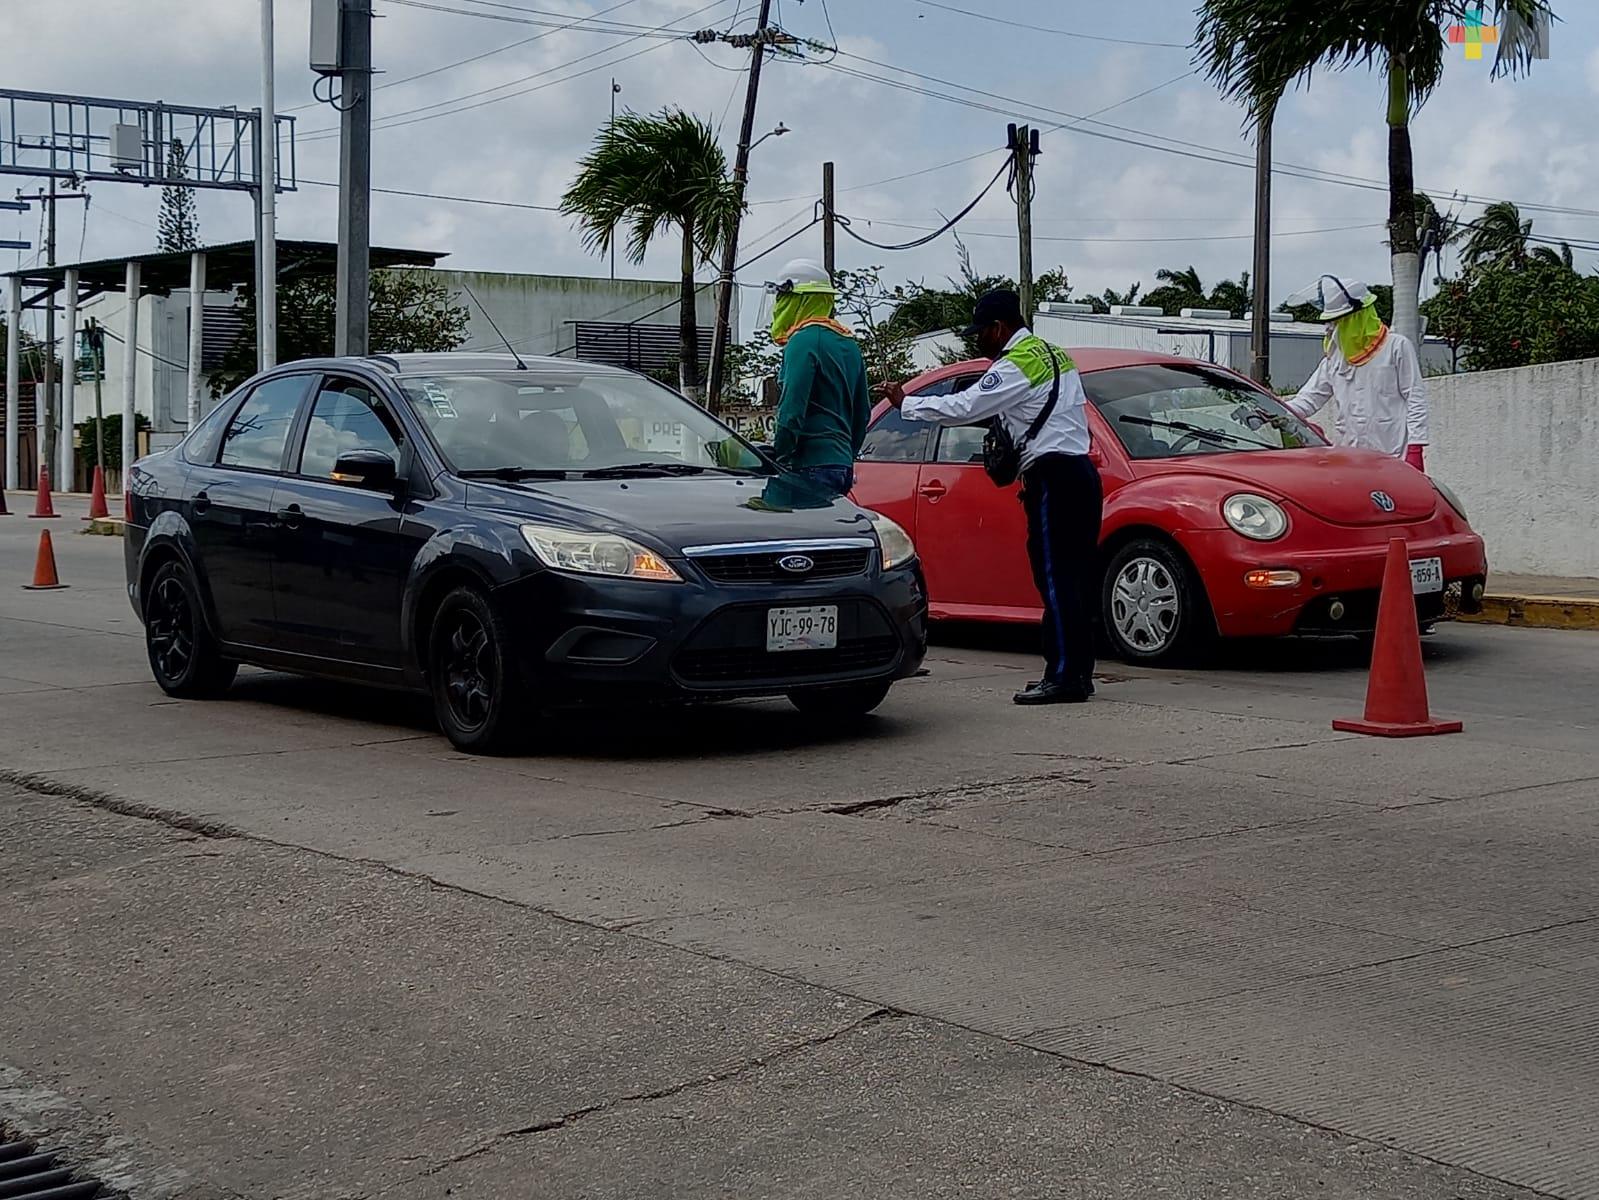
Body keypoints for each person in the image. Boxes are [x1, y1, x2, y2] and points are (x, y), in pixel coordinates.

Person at [877, 289, 1102, 705]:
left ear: (999, 328)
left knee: (1056, 581)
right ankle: (1074, 671)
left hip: (1053, 476)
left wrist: (907, 404)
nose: (978, 340)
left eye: (981, 332)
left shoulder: (1017, 363)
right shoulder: (1055, 355)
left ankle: (1065, 676)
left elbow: (966, 406)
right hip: (1079, 473)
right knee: (1073, 580)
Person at [1284, 275, 1429, 472]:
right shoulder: (1334, 359)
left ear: (1356, 317)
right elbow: (1308, 399)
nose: (1329, 328)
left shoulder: (1397, 346)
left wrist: (1415, 448)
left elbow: (1415, 398)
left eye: (1336, 321)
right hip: (1351, 460)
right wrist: (1275, 413)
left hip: (1394, 456)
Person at [765, 259, 871, 495]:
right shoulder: (849, 344)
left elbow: (791, 410)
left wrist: (779, 458)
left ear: (798, 300)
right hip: (841, 466)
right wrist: (845, 455)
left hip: (808, 465)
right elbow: (862, 413)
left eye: (782, 299)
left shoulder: (802, 342)